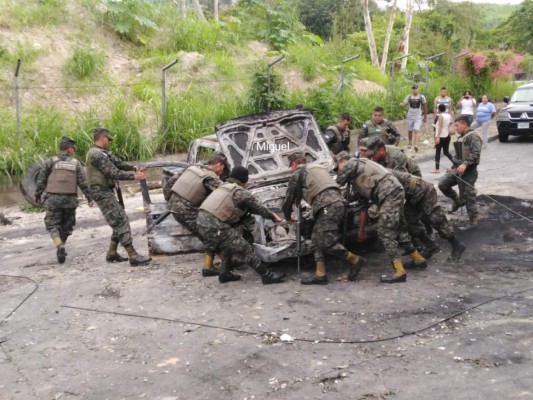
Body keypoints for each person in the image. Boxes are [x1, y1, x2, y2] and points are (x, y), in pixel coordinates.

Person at [336, 156, 427, 283]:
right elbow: (364, 208)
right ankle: (419, 259)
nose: (339, 170)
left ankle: (399, 272)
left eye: (338, 167)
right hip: (395, 192)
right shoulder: (359, 176)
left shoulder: (351, 163)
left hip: (389, 194)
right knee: (401, 229)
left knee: (385, 233)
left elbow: (337, 182)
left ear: (342, 162)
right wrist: (361, 230)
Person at [282, 152, 366, 285]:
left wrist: (287, 217)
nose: (291, 169)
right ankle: (320, 274)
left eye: (290, 166)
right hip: (335, 204)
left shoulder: (297, 173)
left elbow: (288, 200)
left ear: (294, 164)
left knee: (326, 241)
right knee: (316, 238)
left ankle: (355, 259)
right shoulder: (318, 167)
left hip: (327, 207)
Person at [197, 166, 285, 285]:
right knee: (244, 248)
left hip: (201, 221)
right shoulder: (240, 192)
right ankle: (267, 275)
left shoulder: (223, 186)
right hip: (215, 225)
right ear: (245, 179)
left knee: (229, 245)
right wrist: (274, 217)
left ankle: (224, 273)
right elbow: (259, 208)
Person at [86, 128, 151, 266]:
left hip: (105, 191)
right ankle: (132, 255)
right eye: (108, 139)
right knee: (121, 220)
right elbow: (113, 172)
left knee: (118, 219)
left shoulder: (103, 154)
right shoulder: (96, 155)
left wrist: (134, 168)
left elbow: (118, 163)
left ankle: (112, 253)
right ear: (102, 138)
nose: (109, 142)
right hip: (101, 192)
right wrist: (135, 176)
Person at [34, 136, 94, 264]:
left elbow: (41, 180)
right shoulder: (76, 163)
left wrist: (38, 194)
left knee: (52, 225)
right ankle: (62, 245)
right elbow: (83, 183)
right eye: (73, 149)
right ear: (69, 150)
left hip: (53, 199)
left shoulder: (50, 161)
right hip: (70, 200)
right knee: (67, 227)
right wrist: (89, 197)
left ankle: (59, 245)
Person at [163, 156, 226, 277]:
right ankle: (209, 267)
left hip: (174, 207)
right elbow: (225, 192)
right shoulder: (210, 177)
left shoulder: (193, 168)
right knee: (211, 234)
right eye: (222, 169)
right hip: (187, 210)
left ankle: (223, 258)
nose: (221, 172)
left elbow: (170, 182)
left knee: (205, 234)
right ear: (218, 165)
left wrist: (170, 200)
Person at [389, 170, 466, 262]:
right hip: (412, 196)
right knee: (408, 221)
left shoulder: (382, 176)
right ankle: (431, 246)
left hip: (424, 190)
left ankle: (457, 245)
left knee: (437, 219)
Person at [438, 115, 482, 231]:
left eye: (457, 125)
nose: (455, 128)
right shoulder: (461, 138)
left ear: (464, 124)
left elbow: (475, 154)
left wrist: (465, 164)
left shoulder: (473, 136)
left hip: (469, 172)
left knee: (469, 196)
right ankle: (458, 201)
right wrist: (452, 167)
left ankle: (473, 221)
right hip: (457, 169)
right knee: (443, 184)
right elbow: (458, 156)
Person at [400, 84, 427, 150]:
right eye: (413, 88)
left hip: (418, 116)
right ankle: (410, 143)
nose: (415, 90)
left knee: (417, 130)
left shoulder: (421, 97)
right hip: (410, 116)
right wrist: (401, 105)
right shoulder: (409, 97)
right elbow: (404, 104)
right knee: (410, 131)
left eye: (416, 88)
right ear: (412, 90)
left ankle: (416, 145)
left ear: (418, 89)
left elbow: (425, 106)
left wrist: (425, 116)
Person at [432, 103, 454, 173]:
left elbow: (440, 127)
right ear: (445, 109)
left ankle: (437, 169)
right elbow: (450, 123)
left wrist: (437, 137)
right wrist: (446, 127)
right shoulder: (448, 115)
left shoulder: (441, 116)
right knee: (446, 152)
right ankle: (456, 162)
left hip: (441, 136)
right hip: (447, 135)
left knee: (438, 152)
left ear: (438, 109)